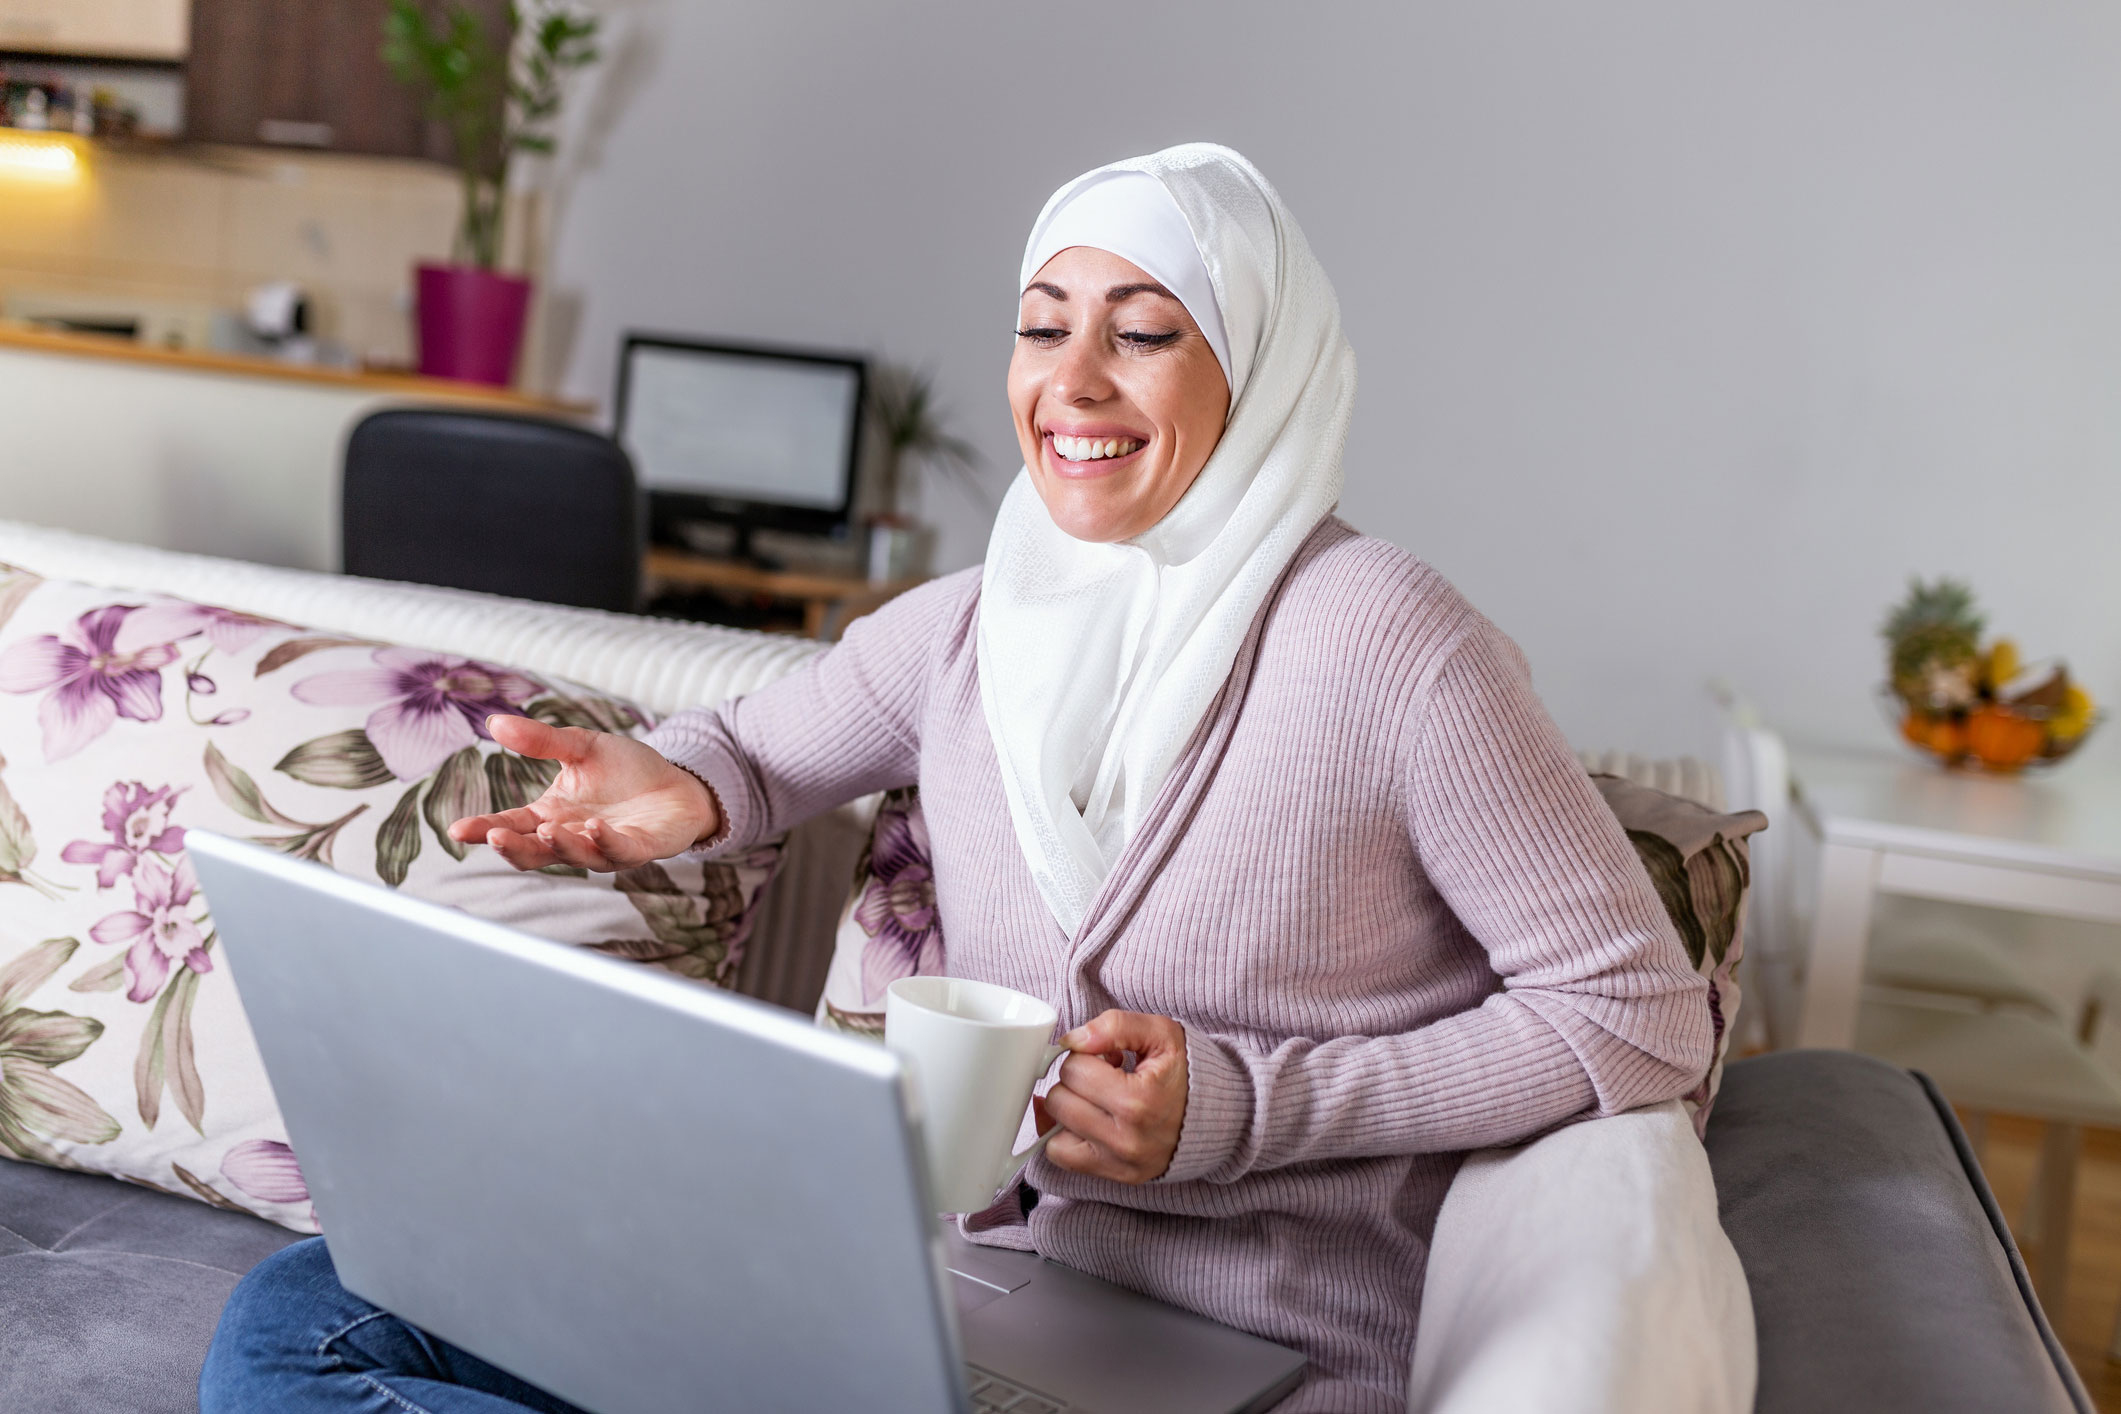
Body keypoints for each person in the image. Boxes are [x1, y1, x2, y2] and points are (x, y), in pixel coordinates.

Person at [202, 144, 1717, 1414]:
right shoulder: (984, 617)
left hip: (1255, 1358)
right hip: (972, 1306)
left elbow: (1635, 1011)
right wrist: (679, 784)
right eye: (1040, 322)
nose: (1072, 382)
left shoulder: (1392, 641)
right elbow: (766, 741)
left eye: (1142, 330)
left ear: (1253, 365)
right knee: (319, 1306)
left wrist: (1243, 1107)